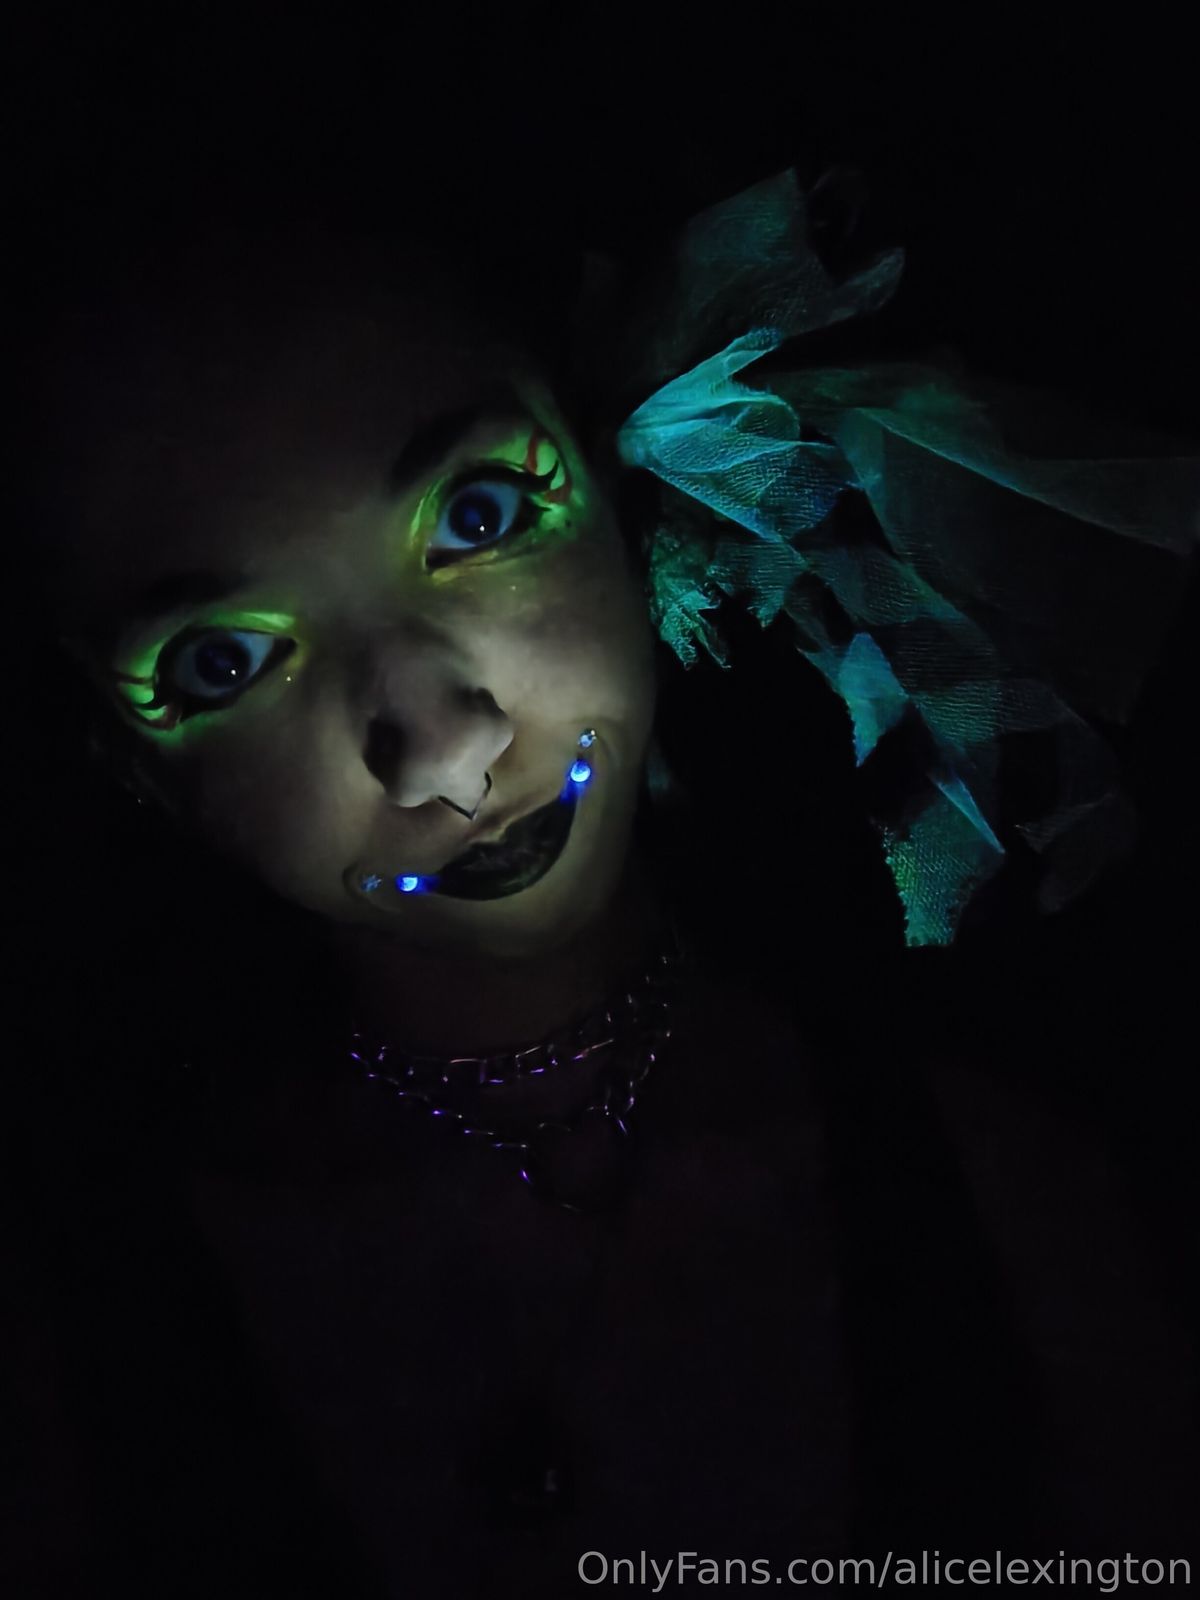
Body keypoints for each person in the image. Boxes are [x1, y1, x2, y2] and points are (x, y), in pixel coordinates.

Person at [10, 161, 1199, 1598]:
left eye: (481, 515)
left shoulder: (1015, 1203)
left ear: (624, 490)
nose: (445, 754)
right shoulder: (74, 1357)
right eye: (223, 662)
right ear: (131, 766)